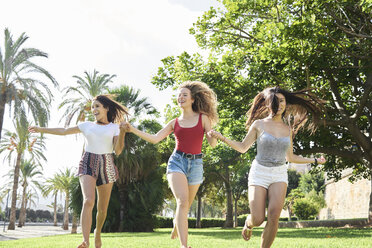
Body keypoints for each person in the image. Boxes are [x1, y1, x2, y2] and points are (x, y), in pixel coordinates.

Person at [208, 86, 326, 248]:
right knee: (258, 218)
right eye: (275, 101)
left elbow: (290, 157)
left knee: (274, 216)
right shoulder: (259, 124)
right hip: (259, 172)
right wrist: (222, 138)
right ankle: (249, 223)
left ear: (286, 103)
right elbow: (243, 147)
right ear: (268, 104)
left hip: (279, 173)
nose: (280, 104)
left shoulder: (287, 129)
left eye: (282, 100)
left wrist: (314, 161)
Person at [122, 81, 218, 248]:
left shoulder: (203, 118)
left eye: (184, 95)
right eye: (179, 95)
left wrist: (213, 135)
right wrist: (133, 129)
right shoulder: (175, 122)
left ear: (193, 99)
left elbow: (213, 144)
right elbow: (155, 138)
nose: (180, 97)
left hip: (196, 164)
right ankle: (184, 245)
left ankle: (176, 222)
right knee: (182, 201)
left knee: (185, 205)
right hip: (177, 162)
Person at [28, 95, 128, 248]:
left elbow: (118, 150)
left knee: (102, 210)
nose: (94, 109)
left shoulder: (114, 127)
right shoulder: (87, 125)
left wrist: (122, 133)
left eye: (97, 106)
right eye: (93, 107)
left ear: (106, 108)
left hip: (107, 164)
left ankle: (98, 231)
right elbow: (64, 130)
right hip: (87, 162)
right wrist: (41, 129)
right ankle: (85, 241)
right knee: (88, 201)